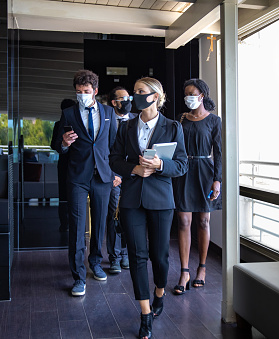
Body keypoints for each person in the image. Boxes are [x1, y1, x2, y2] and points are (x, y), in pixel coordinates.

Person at [109, 77, 188, 339]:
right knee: (136, 255)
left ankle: (159, 292)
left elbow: (182, 165)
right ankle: (144, 313)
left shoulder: (173, 127)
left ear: (155, 96)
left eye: (140, 92)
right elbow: (114, 160)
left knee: (160, 255)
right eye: (134, 92)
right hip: (132, 199)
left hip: (161, 200)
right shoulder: (126, 127)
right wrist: (134, 169)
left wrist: (160, 166)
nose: (135, 96)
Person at [54, 69, 117, 297]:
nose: (82, 95)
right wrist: (64, 142)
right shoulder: (68, 113)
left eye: (86, 91)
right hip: (77, 177)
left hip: (102, 176)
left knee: (99, 225)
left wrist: (115, 173)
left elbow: (114, 147)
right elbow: (57, 147)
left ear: (95, 91)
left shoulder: (109, 112)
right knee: (78, 228)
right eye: (78, 91)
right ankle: (79, 277)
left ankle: (96, 263)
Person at [172, 78, 222, 296]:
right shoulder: (181, 119)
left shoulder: (214, 121)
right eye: (186, 94)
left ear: (202, 95)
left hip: (205, 171)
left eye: (191, 93)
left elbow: (218, 152)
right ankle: (184, 272)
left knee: (203, 220)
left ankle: (201, 268)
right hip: (183, 171)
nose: (187, 98)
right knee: (183, 221)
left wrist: (217, 179)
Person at [106, 86, 138, 274]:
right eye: (122, 98)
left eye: (129, 97)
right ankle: (114, 257)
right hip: (113, 177)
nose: (127, 101)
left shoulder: (136, 119)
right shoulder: (107, 121)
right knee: (113, 217)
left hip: (133, 176)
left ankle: (126, 254)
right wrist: (114, 175)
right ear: (114, 102)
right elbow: (103, 151)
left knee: (129, 217)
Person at [51, 98, 76, 235]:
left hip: (71, 163)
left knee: (68, 194)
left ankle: (67, 223)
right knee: (64, 194)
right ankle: (65, 223)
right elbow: (54, 145)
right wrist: (64, 143)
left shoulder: (79, 125)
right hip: (65, 163)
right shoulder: (58, 125)